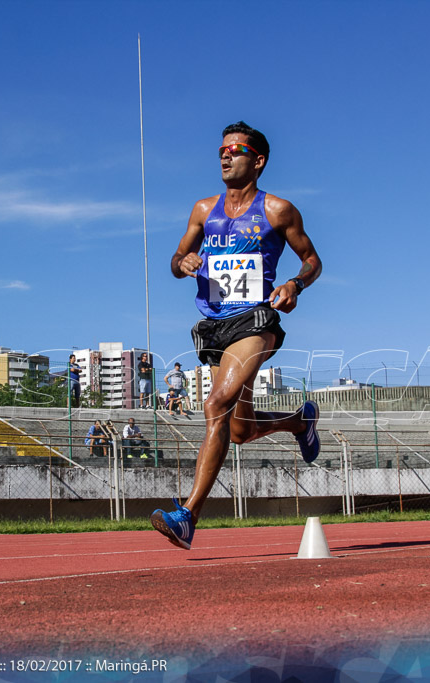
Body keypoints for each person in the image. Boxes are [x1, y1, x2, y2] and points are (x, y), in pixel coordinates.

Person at [150, 121, 323, 550]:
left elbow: (312, 260)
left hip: (255, 320)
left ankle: (187, 515)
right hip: (214, 325)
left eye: (236, 149)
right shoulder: (202, 210)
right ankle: (300, 422)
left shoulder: (277, 210)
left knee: (216, 404)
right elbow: (175, 259)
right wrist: (183, 262)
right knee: (240, 430)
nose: (226, 156)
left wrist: (294, 285)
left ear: (258, 160)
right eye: (222, 150)